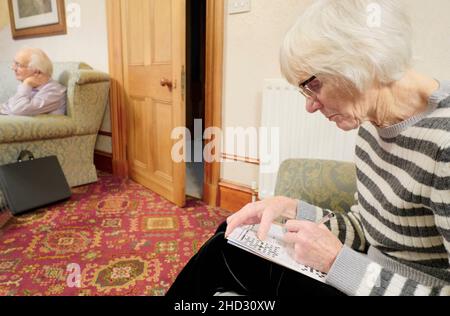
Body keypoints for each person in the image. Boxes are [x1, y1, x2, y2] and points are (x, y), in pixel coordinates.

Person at [167, 0, 450, 297]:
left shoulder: (443, 143)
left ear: (363, 61)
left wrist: (337, 262)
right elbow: (368, 229)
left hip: (376, 285)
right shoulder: (371, 124)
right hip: (366, 274)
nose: (310, 106)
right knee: (229, 237)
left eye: (313, 85)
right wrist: (290, 208)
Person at [0, 48, 66, 116]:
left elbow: (18, 110)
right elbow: (6, 108)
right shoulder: (33, 87)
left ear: (37, 71)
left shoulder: (54, 91)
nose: (13, 68)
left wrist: (26, 84)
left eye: (18, 65)